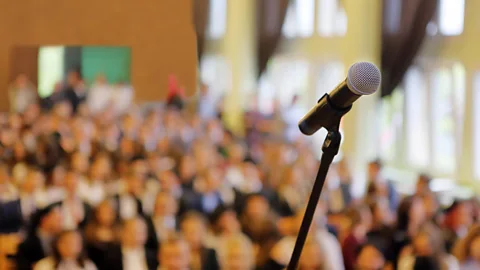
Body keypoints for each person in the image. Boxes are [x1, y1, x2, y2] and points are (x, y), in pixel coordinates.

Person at [16, 203, 64, 270]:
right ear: (44, 219)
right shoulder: (27, 244)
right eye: (58, 219)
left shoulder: (62, 240)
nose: (61, 222)